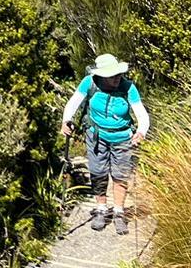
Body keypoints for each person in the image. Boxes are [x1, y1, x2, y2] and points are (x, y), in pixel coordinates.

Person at [60, 52, 150, 235]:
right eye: (112, 75)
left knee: (120, 175)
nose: (117, 78)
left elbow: (141, 114)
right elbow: (73, 103)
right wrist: (66, 120)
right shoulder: (89, 83)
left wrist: (141, 132)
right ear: (101, 75)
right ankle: (101, 209)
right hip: (96, 136)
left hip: (123, 138)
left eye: (118, 74)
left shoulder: (128, 87)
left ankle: (118, 213)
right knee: (98, 172)